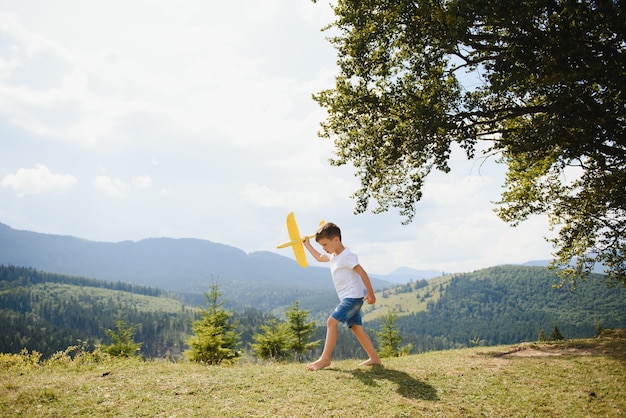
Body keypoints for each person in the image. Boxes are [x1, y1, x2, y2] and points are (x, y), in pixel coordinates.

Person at [303, 222, 382, 371]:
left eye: (325, 244)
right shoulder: (333, 255)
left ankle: (325, 358)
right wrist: (307, 245)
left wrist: (371, 294)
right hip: (350, 298)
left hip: (352, 298)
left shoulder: (347, 256)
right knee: (356, 328)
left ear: (336, 240)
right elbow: (320, 257)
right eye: (322, 246)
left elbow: (362, 273)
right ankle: (374, 358)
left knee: (331, 322)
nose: (324, 249)